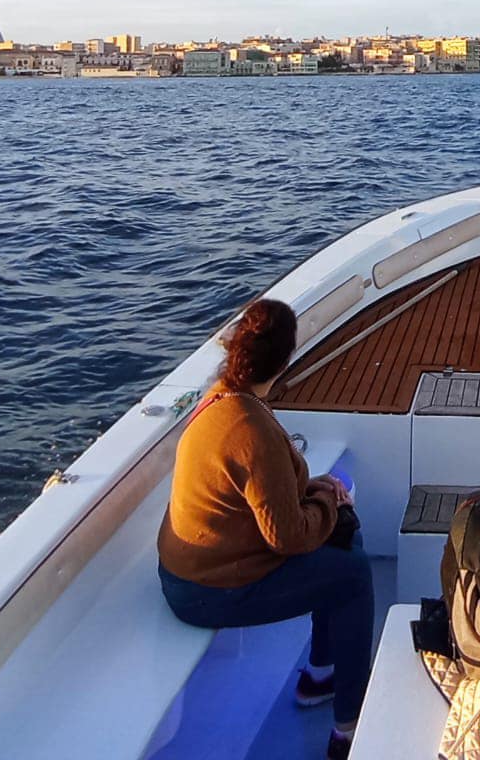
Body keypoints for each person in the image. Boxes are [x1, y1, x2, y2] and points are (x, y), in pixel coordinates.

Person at [158, 298, 371, 760]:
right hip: (208, 590)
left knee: (341, 547)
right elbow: (288, 538)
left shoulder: (221, 397)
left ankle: (319, 675)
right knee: (353, 574)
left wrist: (312, 489)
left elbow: (255, 489)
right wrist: (328, 502)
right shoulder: (252, 428)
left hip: (191, 567)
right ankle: (349, 728)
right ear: (286, 359)